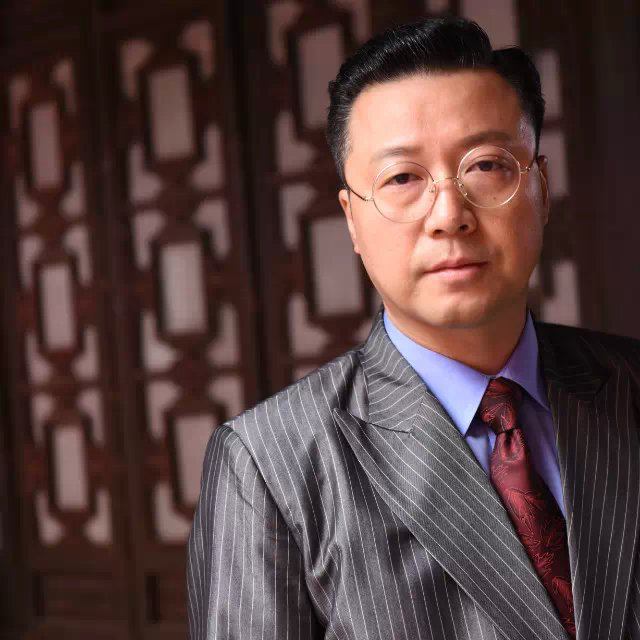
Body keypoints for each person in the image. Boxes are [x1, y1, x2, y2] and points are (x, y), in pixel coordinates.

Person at [187, 17, 640, 640]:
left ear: (539, 185)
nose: (449, 215)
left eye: (486, 165)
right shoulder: (268, 465)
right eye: (402, 178)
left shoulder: (629, 386)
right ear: (352, 219)